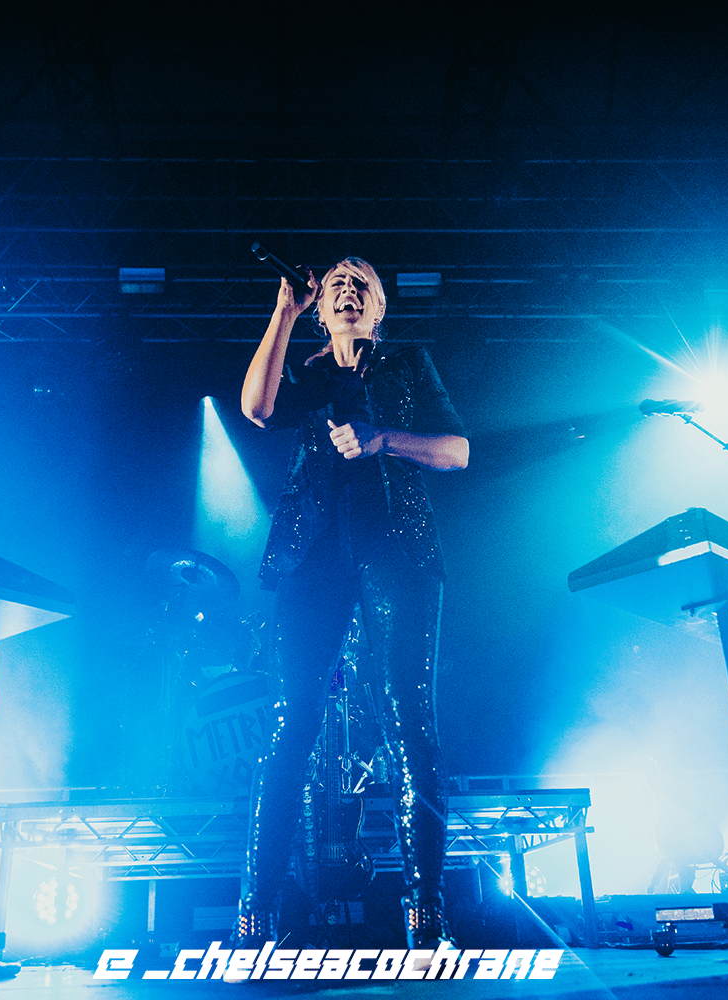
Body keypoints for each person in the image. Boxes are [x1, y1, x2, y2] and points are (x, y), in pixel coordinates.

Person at [237, 257, 469, 946]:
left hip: (396, 552)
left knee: (409, 721)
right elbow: (257, 409)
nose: (347, 287)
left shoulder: (407, 365)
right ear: (319, 308)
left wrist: (381, 440)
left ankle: (425, 916)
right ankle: (256, 915)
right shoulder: (306, 374)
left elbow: (457, 451)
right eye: (336, 281)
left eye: (361, 281)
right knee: (289, 727)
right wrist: (283, 311)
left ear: (379, 308)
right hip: (311, 560)